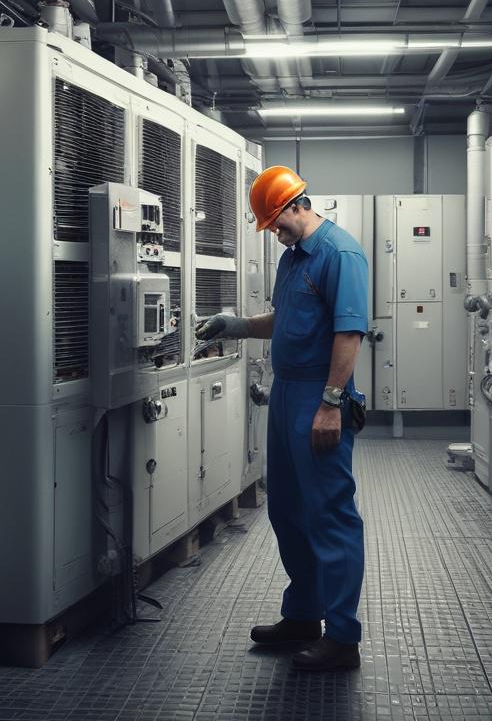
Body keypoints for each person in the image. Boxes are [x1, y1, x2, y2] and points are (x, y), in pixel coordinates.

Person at [196, 165, 368, 671]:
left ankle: (342, 636)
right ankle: (303, 616)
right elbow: (287, 318)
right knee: (288, 509)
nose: (274, 231)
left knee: (330, 513)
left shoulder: (340, 253)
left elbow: (349, 333)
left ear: (298, 205)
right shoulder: (294, 259)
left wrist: (331, 403)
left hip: (320, 392)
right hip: (287, 391)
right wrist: (241, 325)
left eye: (276, 221)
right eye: (269, 224)